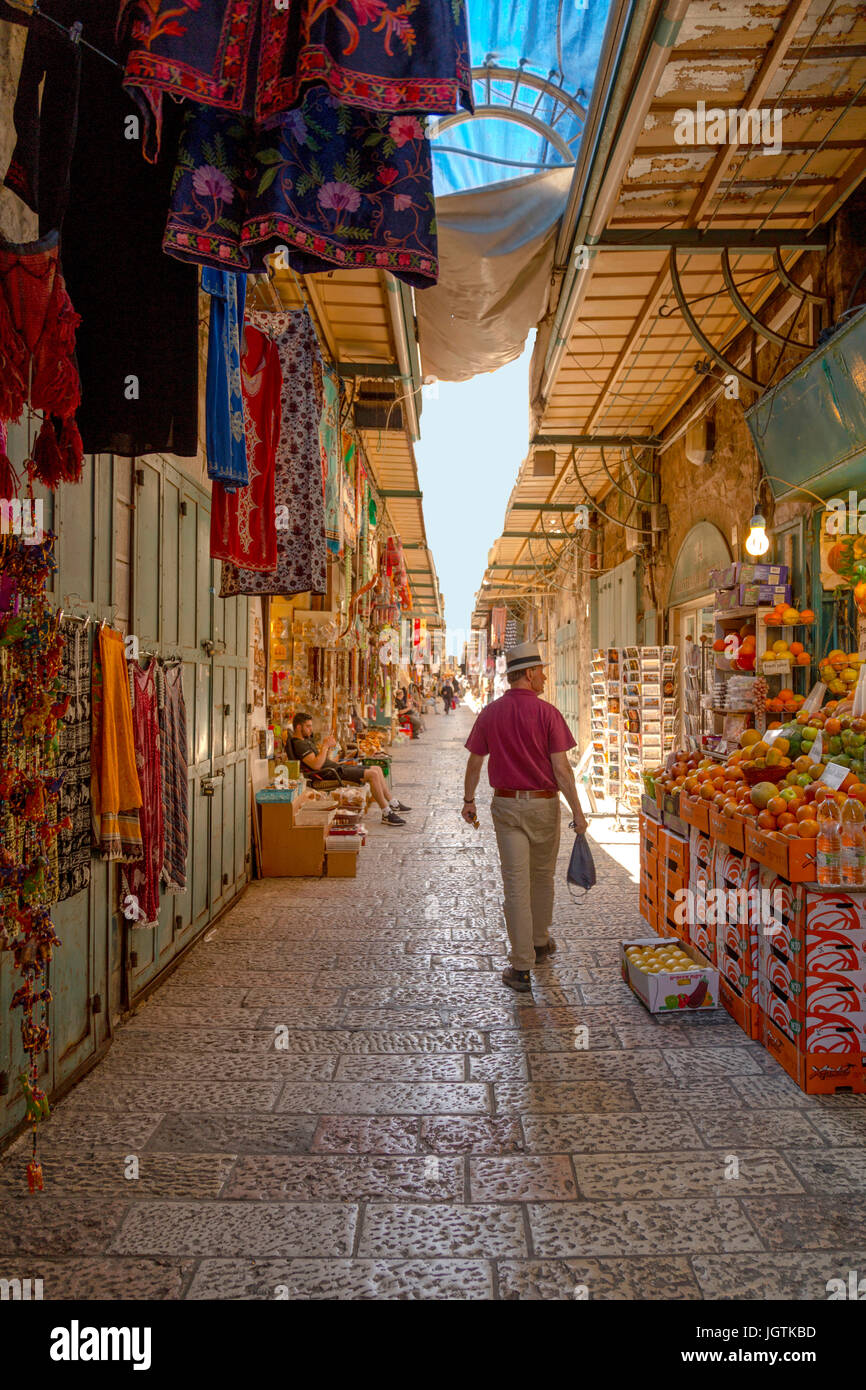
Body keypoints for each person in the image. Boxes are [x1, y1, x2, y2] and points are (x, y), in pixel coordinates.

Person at [461, 640, 588, 992]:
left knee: (516, 885)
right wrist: (578, 812)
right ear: (529, 674)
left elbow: (475, 760)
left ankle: (521, 968)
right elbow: (562, 770)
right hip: (544, 806)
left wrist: (469, 799)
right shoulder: (548, 714)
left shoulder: (490, 713)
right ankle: (539, 942)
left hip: (506, 806)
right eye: (542, 671)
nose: (546, 677)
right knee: (542, 878)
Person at [291, 712, 411, 826]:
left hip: (335, 768)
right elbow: (316, 766)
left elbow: (322, 761)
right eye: (307, 726)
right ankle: (386, 812)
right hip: (331, 773)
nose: (311, 729)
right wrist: (325, 746)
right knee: (373, 774)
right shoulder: (299, 745)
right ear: (298, 727)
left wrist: (334, 753)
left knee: (377, 768)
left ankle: (392, 803)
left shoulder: (305, 741)